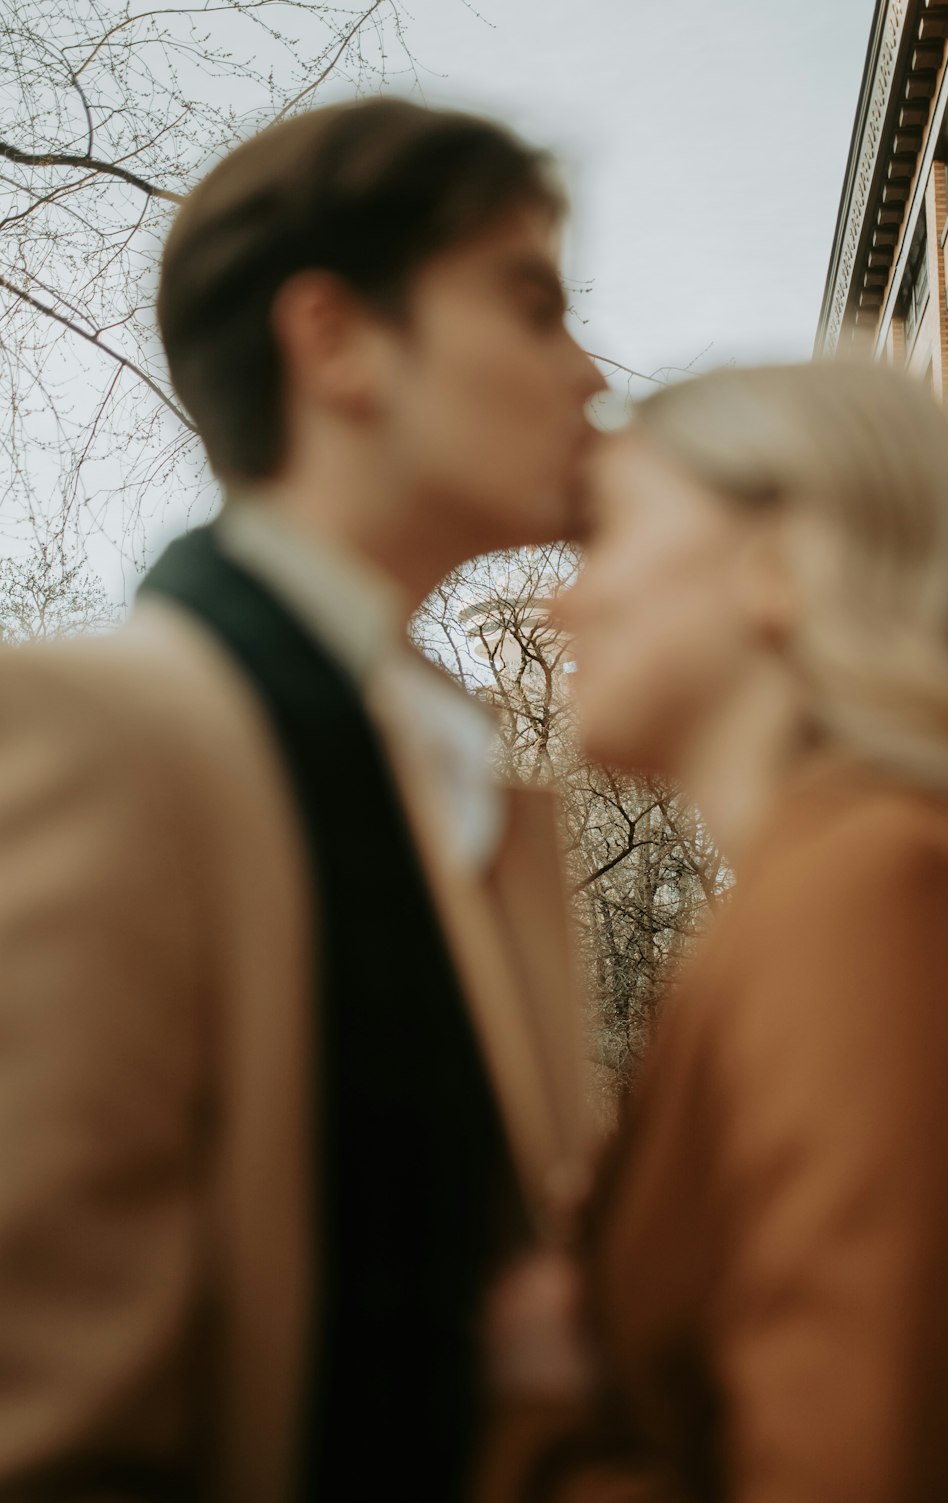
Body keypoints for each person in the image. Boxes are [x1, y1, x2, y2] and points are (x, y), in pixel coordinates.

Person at [0, 98, 603, 1501]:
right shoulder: (95, 737)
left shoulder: (477, 792)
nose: (586, 375)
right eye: (531, 304)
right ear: (334, 339)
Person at [482, 361, 948, 1503]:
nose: (562, 603)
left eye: (607, 533)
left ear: (776, 572)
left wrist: (540, 1405)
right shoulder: (831, 889)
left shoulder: (879, 895)